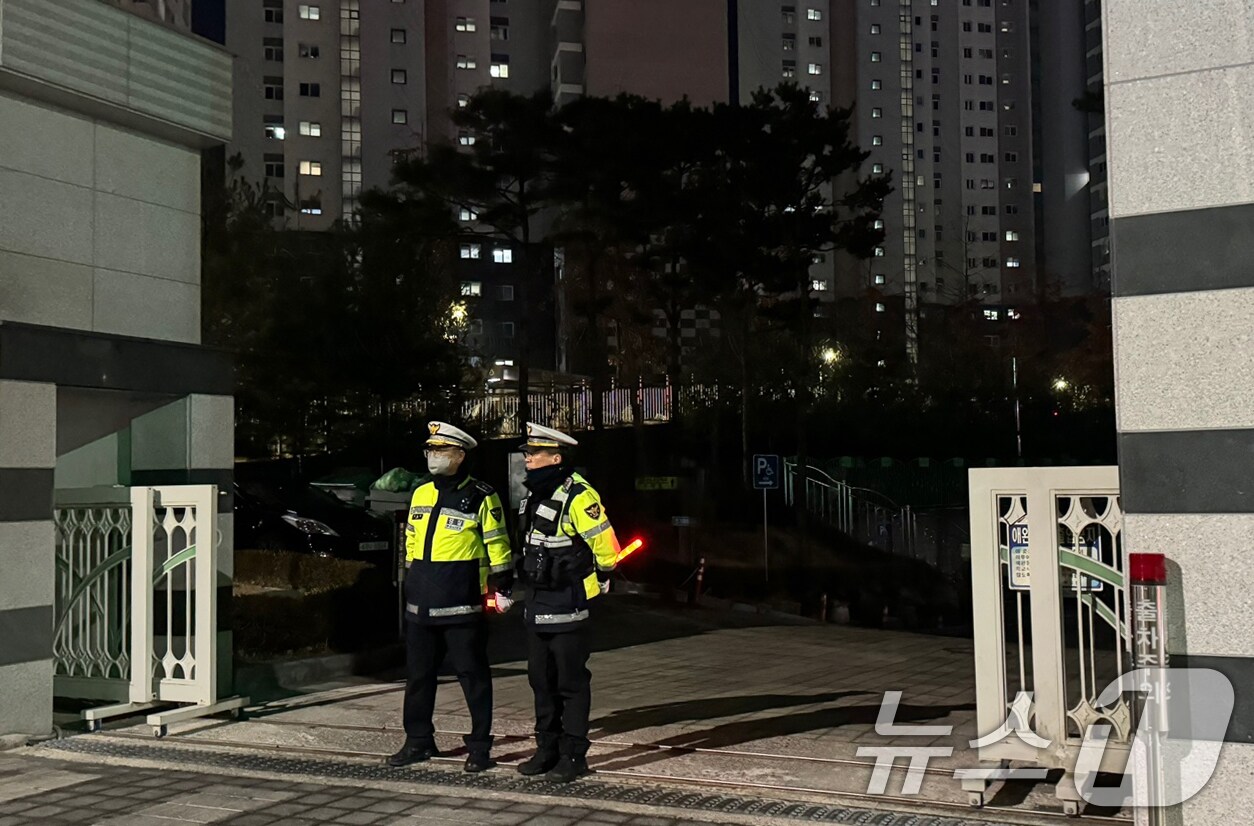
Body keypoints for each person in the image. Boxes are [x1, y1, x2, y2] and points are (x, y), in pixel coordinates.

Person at [388, 422, 513, 773]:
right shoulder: (421, 493)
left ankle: (479, 747)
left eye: (442, 452)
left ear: (459, 456)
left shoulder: (481, 495)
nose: (434, 458)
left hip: (462, 604)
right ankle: (418, 741)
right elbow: (412, 541)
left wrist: (501, 585)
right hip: (421, 605)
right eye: (430, 451)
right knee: (418, 677)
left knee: (472, 677)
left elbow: (498, 544)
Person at [514, 423, 620, 783]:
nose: (527, 458)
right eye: (527, 452)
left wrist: (603, 575)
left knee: (570, 681)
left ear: (556, 458)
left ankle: (574, 755)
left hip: (569, 601)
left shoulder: (579, 496)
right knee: (539, 679)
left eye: (535, 453)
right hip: (537, 600)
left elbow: (607, 547)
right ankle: (547, 748)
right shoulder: (533, 494)